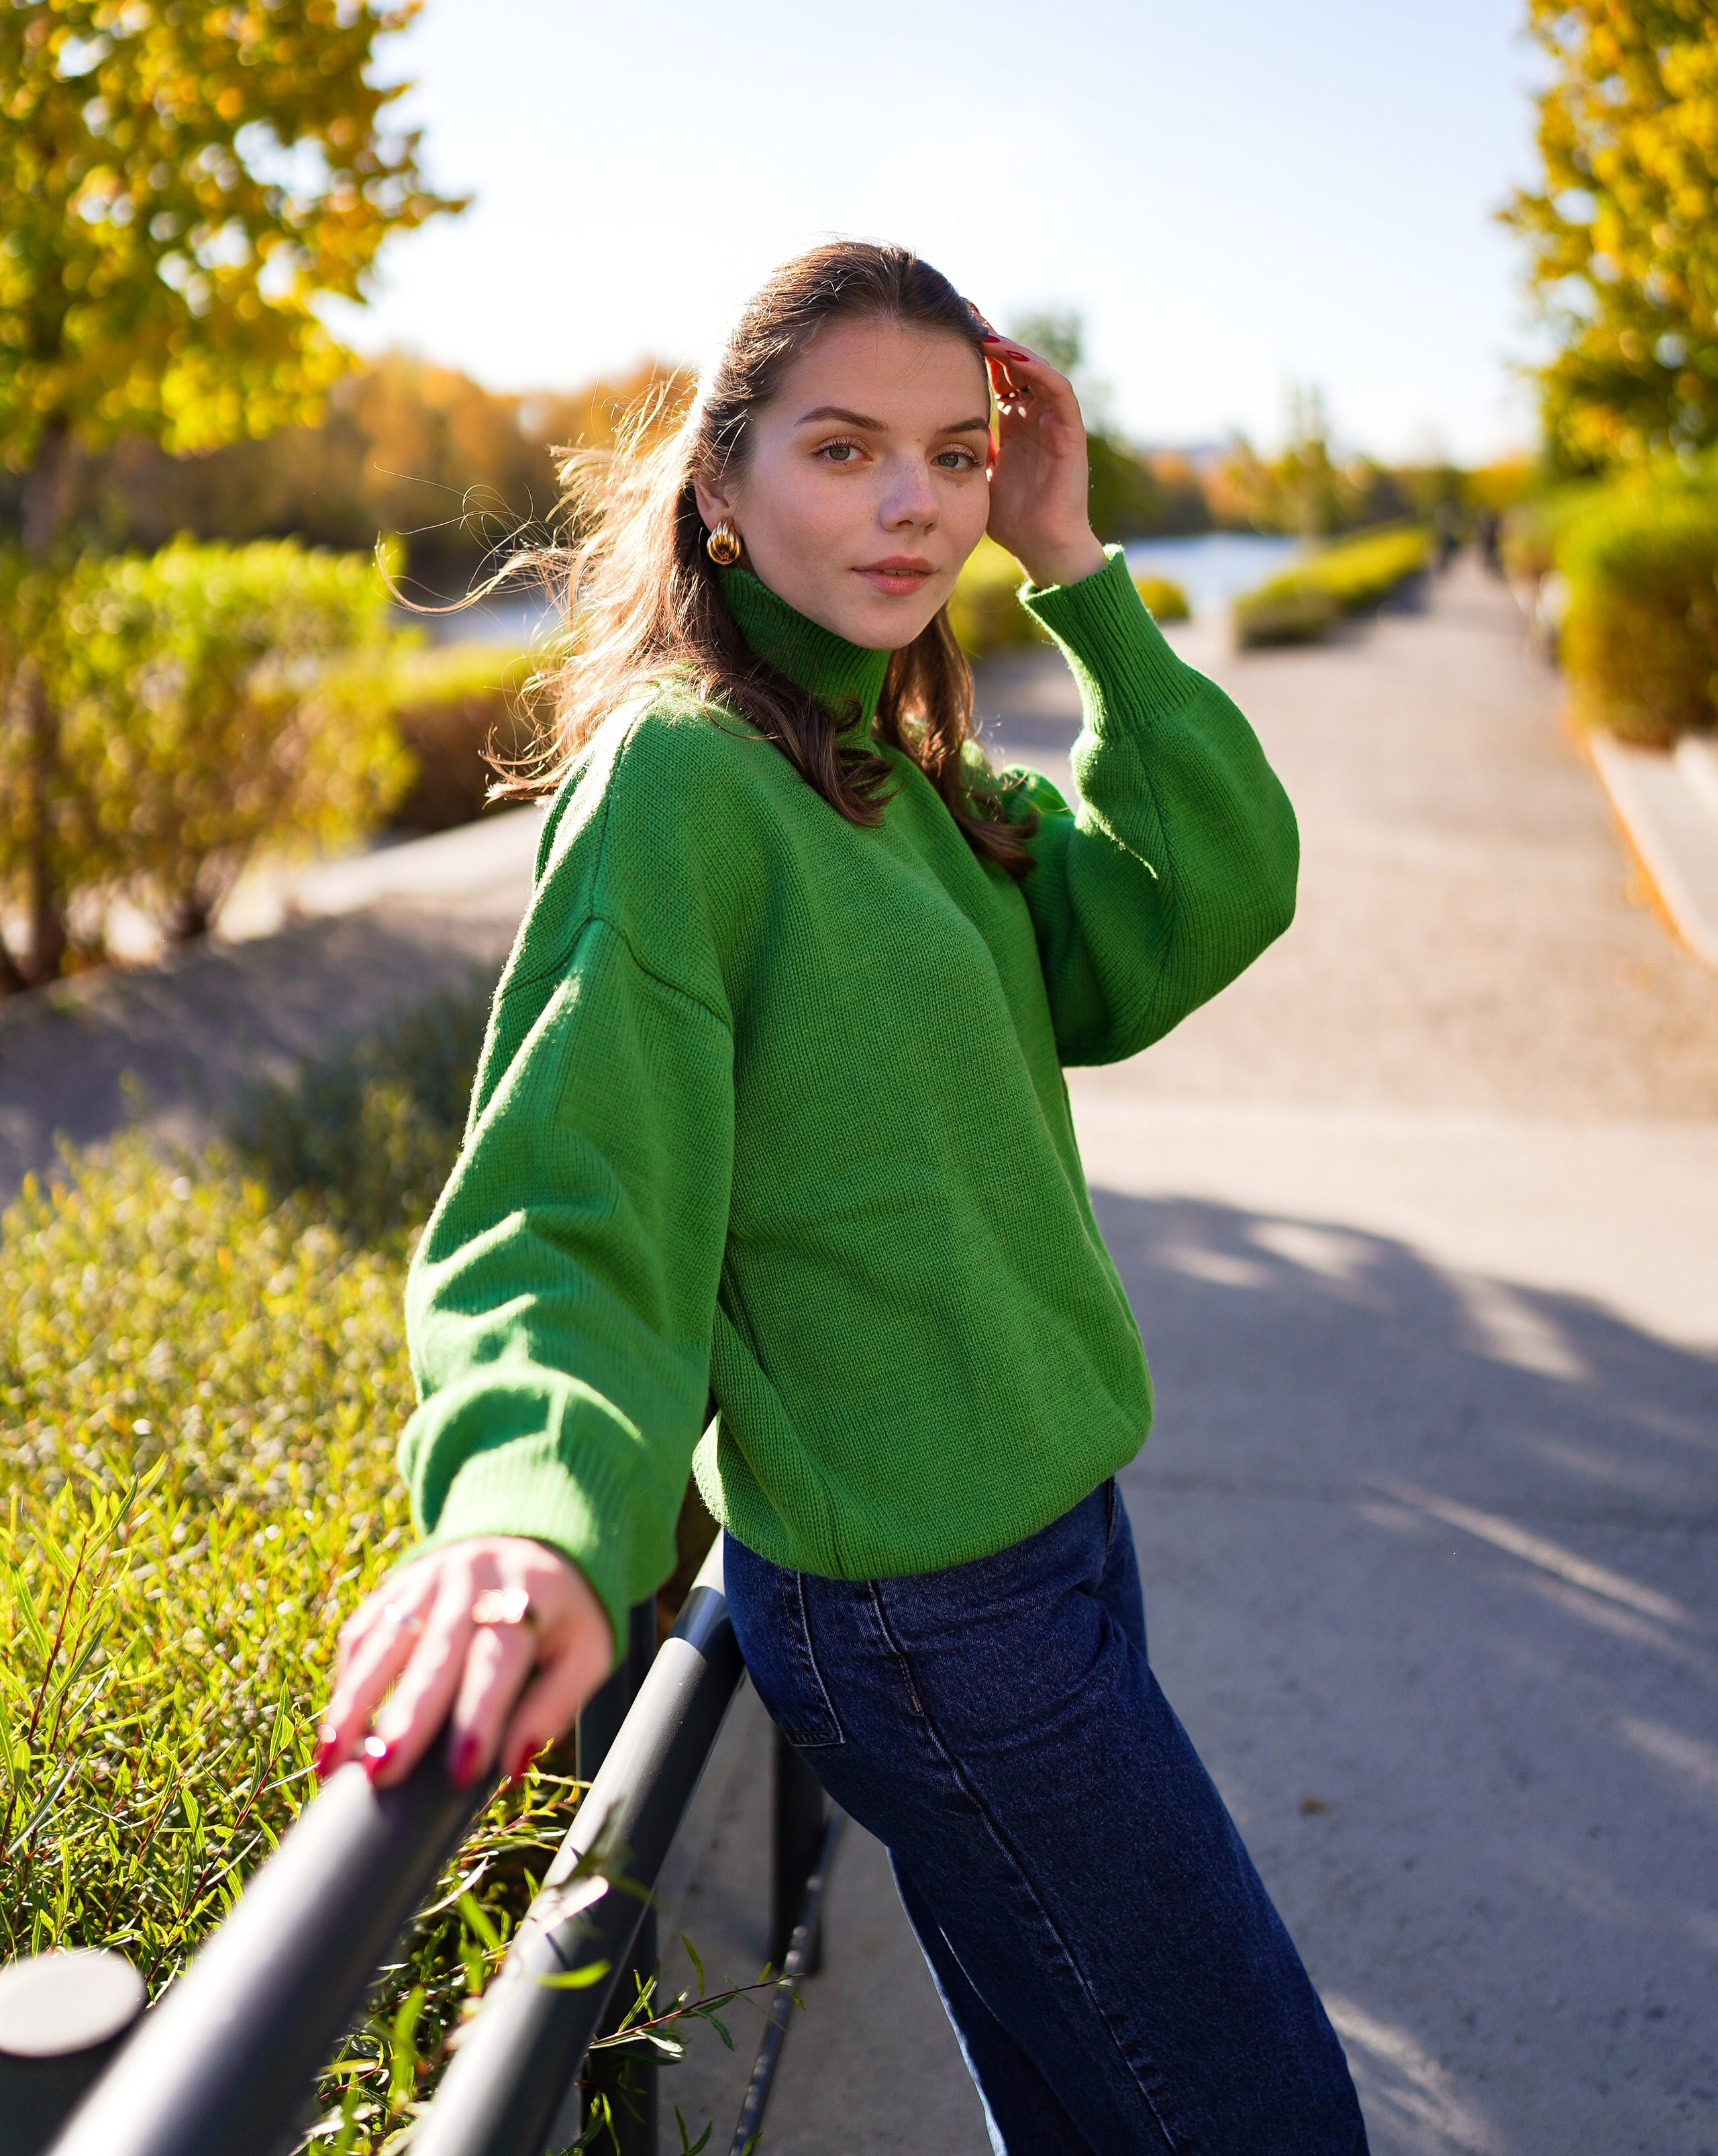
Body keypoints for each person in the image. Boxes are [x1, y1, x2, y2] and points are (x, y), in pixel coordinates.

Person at [319, 242, 1368, 2153]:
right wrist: (527, 1514)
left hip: (1056, 1541)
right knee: (1261, 2121)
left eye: (955, 456)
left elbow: (1203, 899)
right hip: (929, 1607)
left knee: (1090, 2107)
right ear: (718, 490)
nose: (912, 502)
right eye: (841, 447)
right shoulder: (680, 781)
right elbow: (572, 1190)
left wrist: (1077, 566)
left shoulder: (908, 763)